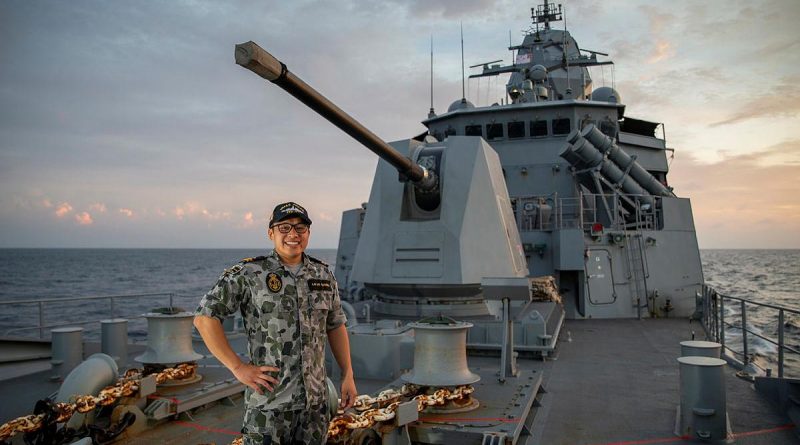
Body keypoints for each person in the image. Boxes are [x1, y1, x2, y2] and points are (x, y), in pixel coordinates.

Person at [194, 201, 357, 444]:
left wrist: (348, 374)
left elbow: (335, 325)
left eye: (301, 228)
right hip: (269, 407)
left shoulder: (323, 274)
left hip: (314, 406)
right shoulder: (249, 273)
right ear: (271, 233)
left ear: (308, 233)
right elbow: (204, 318)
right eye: (284, 227)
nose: (293, 234)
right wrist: (237, 367)